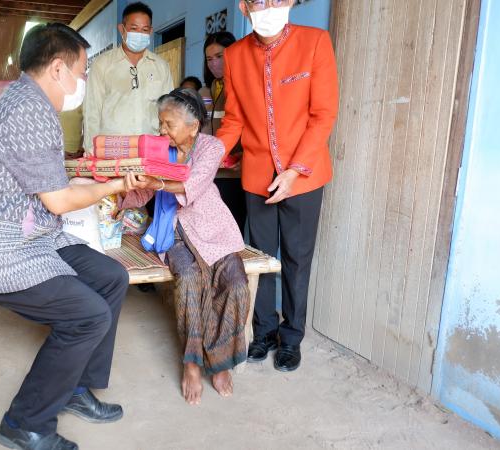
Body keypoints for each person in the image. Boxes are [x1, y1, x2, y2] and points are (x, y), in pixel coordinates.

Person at [0, 23, 147, 450]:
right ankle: (24, 423)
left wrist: (100, 181)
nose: (83, 81)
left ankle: (75, 387)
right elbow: (58, 201)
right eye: (82, 71)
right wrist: (114, 186)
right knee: (88, 316)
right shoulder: (29, 111)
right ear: (58, 68)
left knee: (111, 277)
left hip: (32, 235)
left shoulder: (28, 101)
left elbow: (49, 187)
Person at [217, 0, 339, 372]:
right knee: (261, 257)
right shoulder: (235, 55)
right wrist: (208, 156)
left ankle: (292, 337)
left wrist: (295, 170)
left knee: (297, 259)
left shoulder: (314, 42)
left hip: (304, 175)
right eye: (260, 0)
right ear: (244, 7)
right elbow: (234, 119)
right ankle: (265, 331)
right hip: (257, 176)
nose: (269, 6)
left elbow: (322, 115)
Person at [122, 88, 249, 406]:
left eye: (169, 124)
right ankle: (192, 363)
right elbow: (142, 192)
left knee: (235, 282)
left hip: (213, 228)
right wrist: (120, 194)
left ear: (193, 127)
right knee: (190, 279)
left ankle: (220, 362)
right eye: (160, 123)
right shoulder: (159, 150)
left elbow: (195, 184)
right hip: (175, 231)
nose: (162, 130)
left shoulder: (210, 147)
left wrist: (156, 182)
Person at [83, 1, 175, 153]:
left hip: (150, 150)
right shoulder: (102, 64)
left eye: (144, 30)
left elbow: (170, 110)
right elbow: (92, 112)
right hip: (112, 151)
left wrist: (167, 148)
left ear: (151, 31)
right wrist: (91, 150)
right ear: (122, 29)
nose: (140, 34)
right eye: (134, 28)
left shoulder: (161, 66)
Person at [199, 31, 246, 236]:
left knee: (232, 230)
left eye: (219, 56)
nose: (214, 63)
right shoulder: (207, 90)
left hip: (234, 173)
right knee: (209, 230)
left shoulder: (243, 86)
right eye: (209, 59)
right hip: (210, 172)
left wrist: (245, 155)